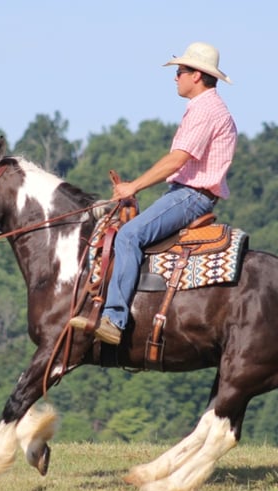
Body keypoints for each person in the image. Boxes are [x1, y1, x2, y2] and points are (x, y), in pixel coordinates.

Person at [70, 41, 238, 345]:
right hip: (185, 193)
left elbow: (177, 159)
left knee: (128, 236)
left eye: (181, 71)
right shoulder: (208, 107)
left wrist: (133, 186)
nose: (176, 77)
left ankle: (114, 320)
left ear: (197, 75)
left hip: (190, 195)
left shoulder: (205, 110)